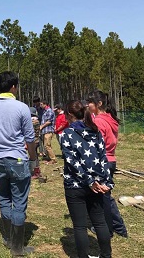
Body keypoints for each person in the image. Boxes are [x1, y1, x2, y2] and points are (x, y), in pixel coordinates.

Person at [0, 71, 36, 256]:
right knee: (19, 202)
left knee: (4, 199)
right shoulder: (21, 107)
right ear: (13, 87)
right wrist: (34, 160)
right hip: (18, 159)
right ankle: (17, 248)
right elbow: (30, 138)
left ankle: (8, 239)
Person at [61, 100, 113, 258]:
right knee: (100, 222)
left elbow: (72, 162)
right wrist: (107, 182)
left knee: (80, 226)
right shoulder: (95, 131)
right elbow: (104, 158)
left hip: (75, 185)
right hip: (97, 184)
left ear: (70, 115)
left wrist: (88, 181)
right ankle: (106, 255)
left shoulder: (67, 134)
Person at [87, 90, 128, 238]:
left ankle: (107, 229)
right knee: (106, 196)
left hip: (102, 162)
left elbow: (94, 145)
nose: (87, 105)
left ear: (99, 104)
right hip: (111, 160)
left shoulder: (98, 121)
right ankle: (118, 227)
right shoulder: (110, 118)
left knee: (102, 198)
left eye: (90, 103)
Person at [40, 100, 57, 164]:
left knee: (47, 145)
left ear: (45, 104)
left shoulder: (49, 111)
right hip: (45, 131)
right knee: (45, 145)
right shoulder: (45, 111)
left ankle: (53, 159)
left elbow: (49, 121)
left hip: (48, 130)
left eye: (41, 104)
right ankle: (48, 158)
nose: (40, 106)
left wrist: (42, 126)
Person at [29, 107, 41, 179]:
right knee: (35, 156)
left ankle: (36, 172)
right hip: (36, 140)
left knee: (34, 157)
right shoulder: (36, 120)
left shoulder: (33, 121)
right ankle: (36, 170)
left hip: (33, 141)